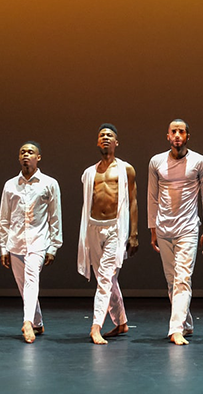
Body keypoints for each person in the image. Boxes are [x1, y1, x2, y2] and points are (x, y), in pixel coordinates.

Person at [148, 119, 203, 345]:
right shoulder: (156, 162)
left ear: (187, 136)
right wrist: (152, 229)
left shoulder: (199, 162)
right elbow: (152, 196)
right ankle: (186, 324)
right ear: (167, 136)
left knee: (183, 278)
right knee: (171, 280)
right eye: (173, 131)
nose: (177, 135)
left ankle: (175, 329)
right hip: (164, 228)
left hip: (188, 228)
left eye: (181, 131)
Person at [78, 124, 138, 345]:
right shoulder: (89, 173)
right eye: (101, 135)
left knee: (104, 277)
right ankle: (121, 321)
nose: (105, 138)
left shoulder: (126, 170)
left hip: (115, 228)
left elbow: (133, 201)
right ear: (97, 142)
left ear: (116, 142)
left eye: (109, 135)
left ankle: (96, 326)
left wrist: (134, 233)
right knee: (107, 278)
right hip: (94, 228)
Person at [0, 141, 62, 343]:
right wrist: (3, 247)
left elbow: (55, 216)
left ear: (39, 157)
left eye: (30, 152)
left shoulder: (49, 183)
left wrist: (53, 246)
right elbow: (4, 219)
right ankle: (37, 322)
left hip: (38, 241)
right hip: (16, 242)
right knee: (23, 285)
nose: (26, 155)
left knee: (31, 280)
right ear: (19, 157)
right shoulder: (10, 185)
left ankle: (27, 323)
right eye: (22, 152)